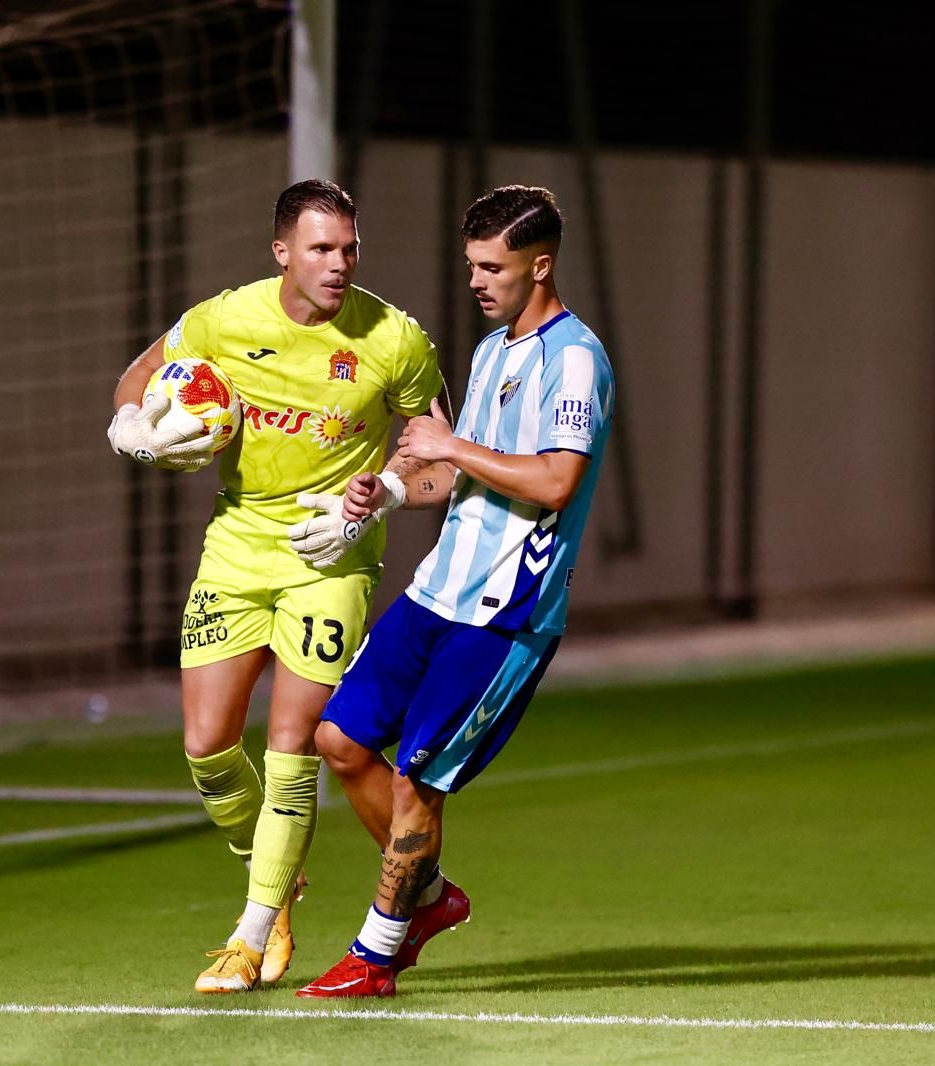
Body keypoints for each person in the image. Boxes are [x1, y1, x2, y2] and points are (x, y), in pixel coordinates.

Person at [106, 179, 444, 993]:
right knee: (208, 750)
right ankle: (278, 882)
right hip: (238, 544)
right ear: (283, 252)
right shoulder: (225, 319)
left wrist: (381, 499)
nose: (339, 263)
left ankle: (250, 935)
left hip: (331, 559)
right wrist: (131, 425)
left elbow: (440, 458)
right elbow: (142, 373)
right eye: (322, 248)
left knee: (292, 746)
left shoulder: (394, 339)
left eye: (350, 247)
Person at [293, 186, 615, 998]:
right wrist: (389, 491)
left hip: (504, 613)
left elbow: (554, 481)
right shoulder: (491, 351)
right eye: (470, 264)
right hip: (437, 592)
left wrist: (453, 445)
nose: (476, 280)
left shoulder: (574, 358)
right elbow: (451, 469)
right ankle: (430, 899)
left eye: (491, 266)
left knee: (417, 778)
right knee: (339, 741)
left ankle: (375, 955)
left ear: (540, 265)